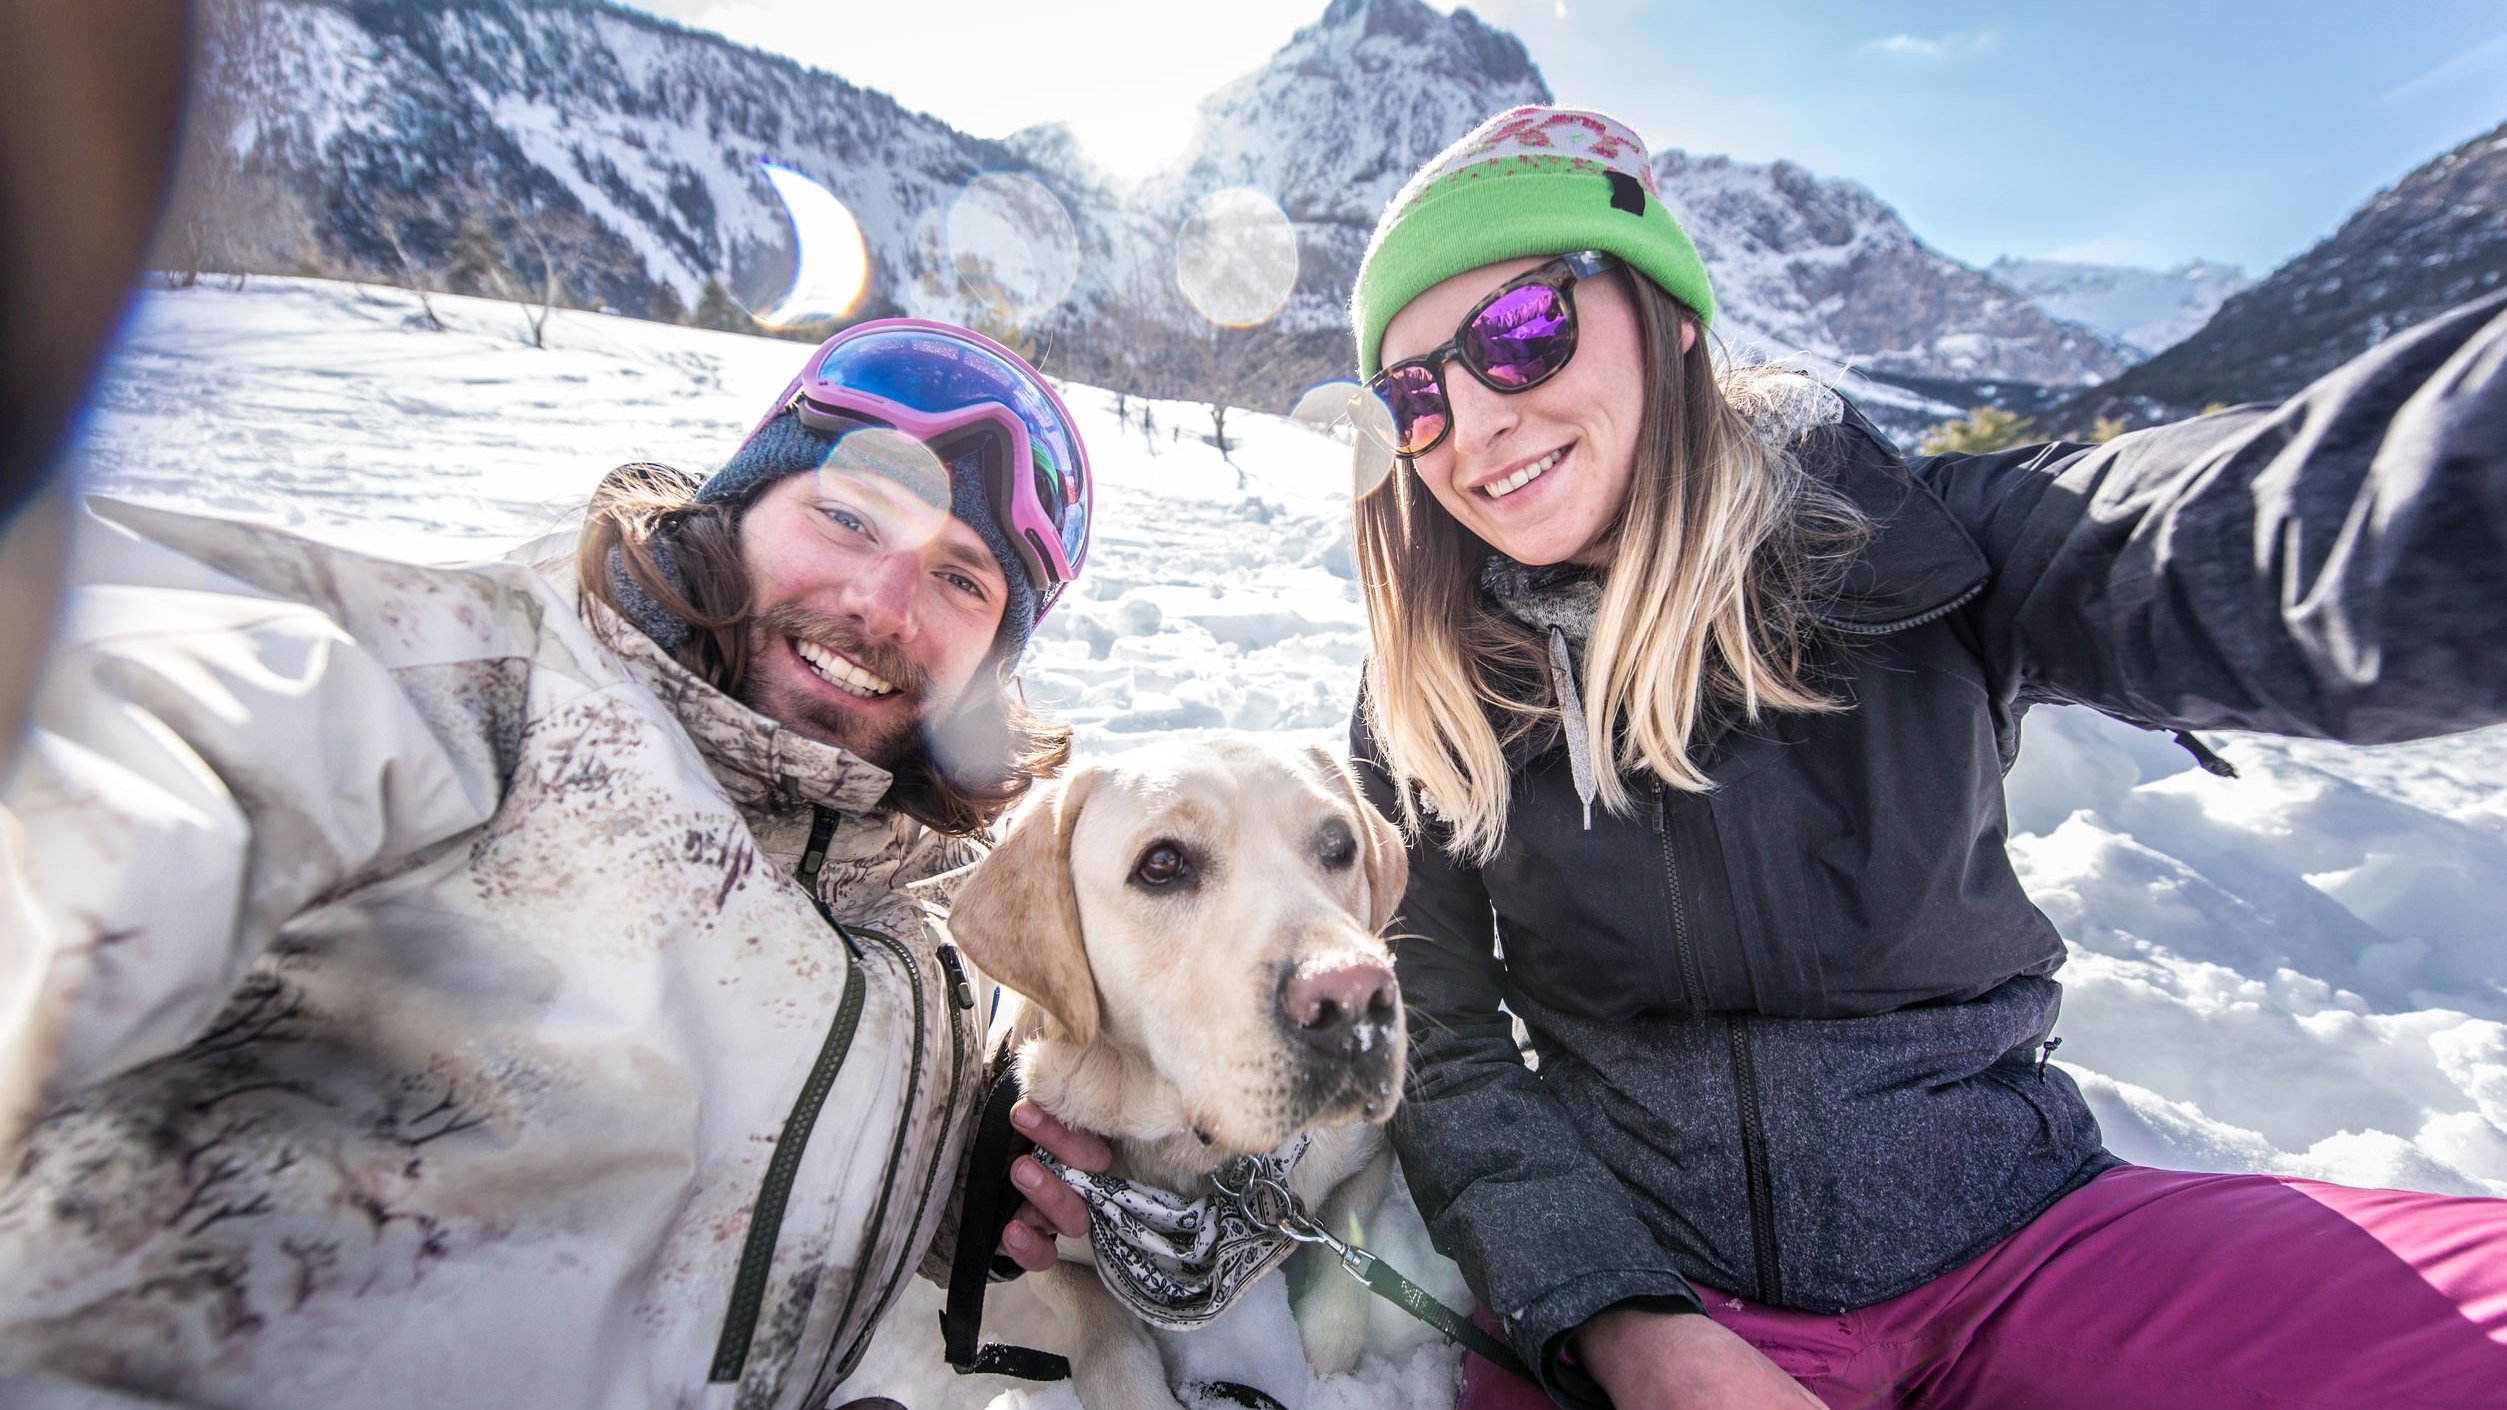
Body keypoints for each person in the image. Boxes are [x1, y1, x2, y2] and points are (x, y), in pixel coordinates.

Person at [1343, 106, 2507, 1410]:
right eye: (1412, 393)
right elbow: (1430, 1031)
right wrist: (1617, 1316)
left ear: (1669, 322)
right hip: (1649, 1288)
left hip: (2025, 1248)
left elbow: (2284, 529)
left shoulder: (1916, 544)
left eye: (1517, 332)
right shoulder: (1434, 691)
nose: (1472, 420)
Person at [0, 318, 1110, 1407]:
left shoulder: (927, 925)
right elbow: (127, 778)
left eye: (961, 579)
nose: (880, 603)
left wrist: (915, 1183)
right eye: (847, 518)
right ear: (739, 503)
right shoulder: (471, 690)